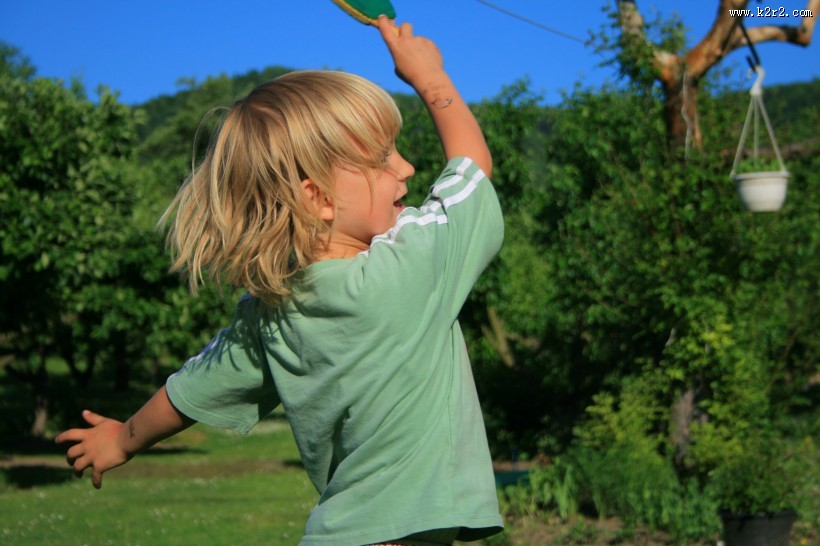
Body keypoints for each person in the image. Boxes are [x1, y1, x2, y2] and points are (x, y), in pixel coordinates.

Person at [56, 16, 504, 546]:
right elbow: (471, 167)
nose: (406, 168)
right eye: (381, 158)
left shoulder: (271, 312)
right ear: (317, 198)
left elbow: (188, 390)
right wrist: (430, 77)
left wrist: (122, 440)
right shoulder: (409, 266)